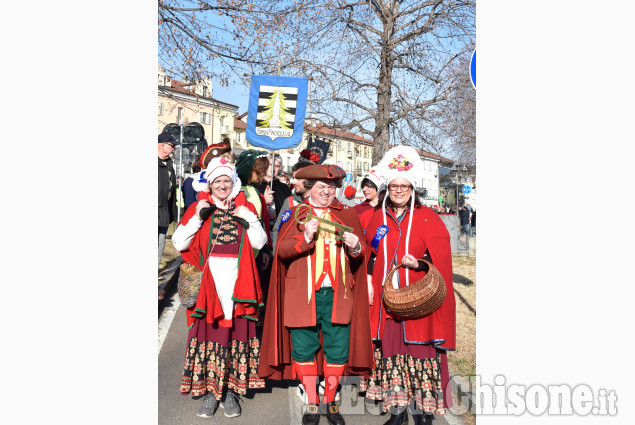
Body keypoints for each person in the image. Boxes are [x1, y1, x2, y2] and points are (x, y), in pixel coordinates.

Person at [258, 163, 374, 425]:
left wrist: (356, 248)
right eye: (321, 186)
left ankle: (329, 400)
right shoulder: (296, 214)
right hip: (302, 294)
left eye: (331, 187)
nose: (327, 192)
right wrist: (305, 238)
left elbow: (360, 256)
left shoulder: (346, 214)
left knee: (337, 349)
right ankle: (312, 400)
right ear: (309, 188)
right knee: (303, 347)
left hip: (338, 294)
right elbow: (281, 251)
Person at [362, 146, 455, 425]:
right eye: (393, 186)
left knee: (420, 355)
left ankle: (423, 412)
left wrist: (419, 264)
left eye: (403, 186)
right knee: (392, 354)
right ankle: (398, 410)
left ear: (412, 188)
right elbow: (370, 255)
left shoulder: (429, 218)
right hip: (388, 301)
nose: (399, 190)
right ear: (387, 188)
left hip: (418, 302)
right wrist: (368, 280)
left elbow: (441, 262)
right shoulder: (378, 217)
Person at [171, 156, 268, 419]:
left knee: (235, 334)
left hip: (238, 282)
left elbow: (259, 242)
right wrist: (197, 219)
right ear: (210, 184)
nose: (223, 186)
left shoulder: (244, 206)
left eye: (227, 180)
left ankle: (230, 392)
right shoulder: (199, 206)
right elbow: (179, 243)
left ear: (233, 182)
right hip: (209, 282)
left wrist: (250, 217)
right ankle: (209, 393)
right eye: (218, 181)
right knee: (209, 335)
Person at [158, 131, 179, 300]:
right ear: (161, 145)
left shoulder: (169, 164)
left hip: (164, 214)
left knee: (158, 251)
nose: (172, 149)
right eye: (171, 145)